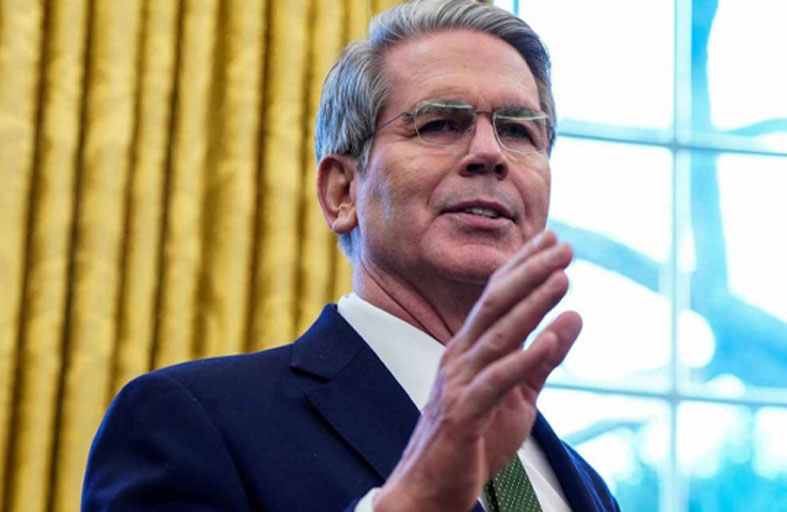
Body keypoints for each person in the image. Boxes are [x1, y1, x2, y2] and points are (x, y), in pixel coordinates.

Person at [82, 1, 620, 511]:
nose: (489, 153)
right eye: (439, 124)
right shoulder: (187, 419)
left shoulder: (588, 487)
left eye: (519, 131)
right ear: (342, 191)